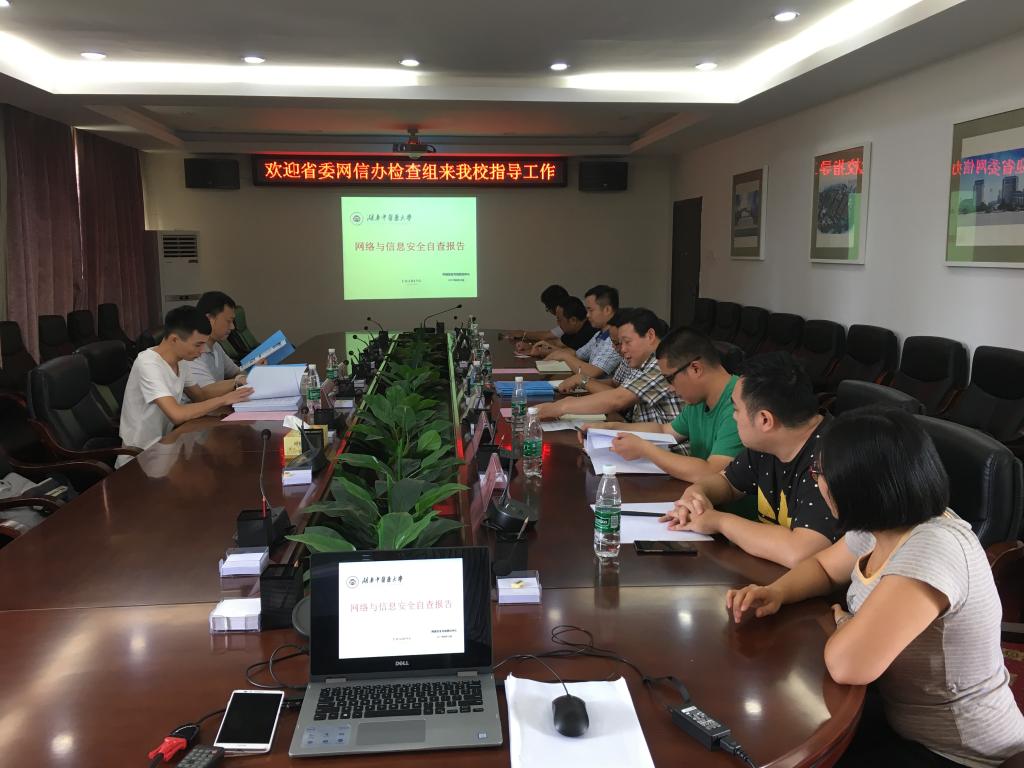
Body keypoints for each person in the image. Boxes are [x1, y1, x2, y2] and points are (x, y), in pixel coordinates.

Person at [726, 409, 1024, 767]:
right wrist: (777, 592)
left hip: (957, 749)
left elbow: (847, 665)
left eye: (820, 474)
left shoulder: (932, 549)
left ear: (857, 485)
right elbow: (823, 567)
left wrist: (848, 623)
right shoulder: (879, 525)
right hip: (897, 712)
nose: (818, 483)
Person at [662, 352, 838, 567]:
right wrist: (696, 495)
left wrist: (717, 521)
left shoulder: (831, 458)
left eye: (736, 409)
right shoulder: (769, 444)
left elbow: (801, 552)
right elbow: (727, 482)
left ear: (765, 420)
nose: (734, 416)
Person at [585, 326, 745, 483]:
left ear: (695, 369)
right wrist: (610, 428)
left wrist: (645, 449)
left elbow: (711, 473)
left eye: (669, 379)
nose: (670, 388)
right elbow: (665, 430)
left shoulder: (740, 405)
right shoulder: (698, 400)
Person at [118, 306, 252, 466]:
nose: (202, 351)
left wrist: (237, 402)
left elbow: (200, 396)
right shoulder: (148, 363)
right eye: (198, 345)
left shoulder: (181, 361)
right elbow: (176, 414)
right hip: (139, 457)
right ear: (174, 339)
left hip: (166, 447)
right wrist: (223, 400)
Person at [535, 308, 680, 425]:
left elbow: (618, 399)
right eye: (619, 343)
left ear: (650, 335)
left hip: (667, 446)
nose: (622, 349)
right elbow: (617, 387)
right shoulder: (644, 359)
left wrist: (561, 407)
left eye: (627, 342)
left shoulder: (661, 363)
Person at [542, 284, 622, 381]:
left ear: (607, 310)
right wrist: (550, 351)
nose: (587, 315)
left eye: (590, 310)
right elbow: (578, 354)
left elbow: (592, 372)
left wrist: (563, 356)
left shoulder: (615, 339)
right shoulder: (599, 334)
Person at [187, 291, 250, 400]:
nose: (232, 327)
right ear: (209, 319)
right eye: (228, 321)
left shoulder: (216, 346)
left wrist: (254, 371)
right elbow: (205, 392)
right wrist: (237, 381)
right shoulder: (190, 350)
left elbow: (236, 373)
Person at [499, 284, 570, 344]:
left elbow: (547, 336)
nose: (558, 323)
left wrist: (523, 334)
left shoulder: (570, 316)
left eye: (547, 307)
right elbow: (555, 338)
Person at [527, 296, 596, 356]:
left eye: (559, 320)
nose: (557, 323)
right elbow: (557, 343)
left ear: (573, 320)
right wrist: (531, 346)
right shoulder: (572, 330)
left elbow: (574, 354)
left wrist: (549, 350)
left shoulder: (590, 331)